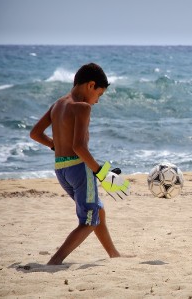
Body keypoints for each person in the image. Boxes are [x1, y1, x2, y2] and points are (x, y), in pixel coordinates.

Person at [30, 63, 129, 265]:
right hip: (78, 169)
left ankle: (113, 254)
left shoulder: (58, 105)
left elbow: (35, 134)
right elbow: (79, 147)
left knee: (97, 211)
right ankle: (54, 262)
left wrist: (54, 146)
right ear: (91, 85)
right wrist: (102, 173)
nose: (97, 101)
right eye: (99, 94)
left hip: (61, 170)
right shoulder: (82, 107)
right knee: (89, 221)